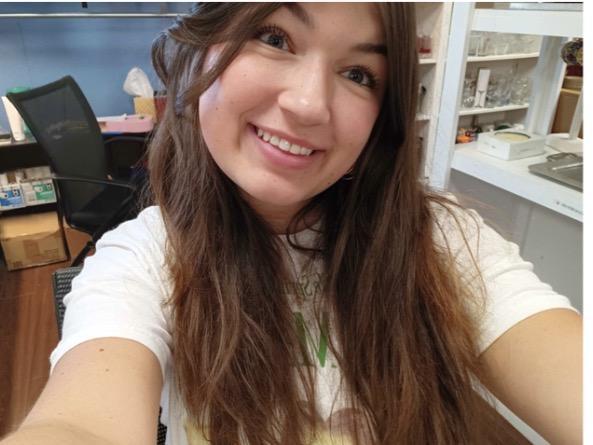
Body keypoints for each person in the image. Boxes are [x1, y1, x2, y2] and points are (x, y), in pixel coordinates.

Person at [1, 3, 582, 445]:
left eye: (359, 73)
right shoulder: (145, 259)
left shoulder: (441, 244)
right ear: (203, 50)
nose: (309, 104)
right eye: (275, 38)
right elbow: (82, 422)